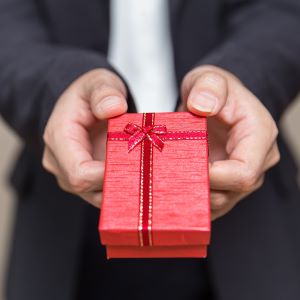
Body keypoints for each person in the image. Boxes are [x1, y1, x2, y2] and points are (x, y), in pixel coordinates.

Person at [1, 0, 300, 299]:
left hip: (235, 196)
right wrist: (60, 87)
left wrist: (240, 82)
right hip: (69, 199)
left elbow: (283, 11)